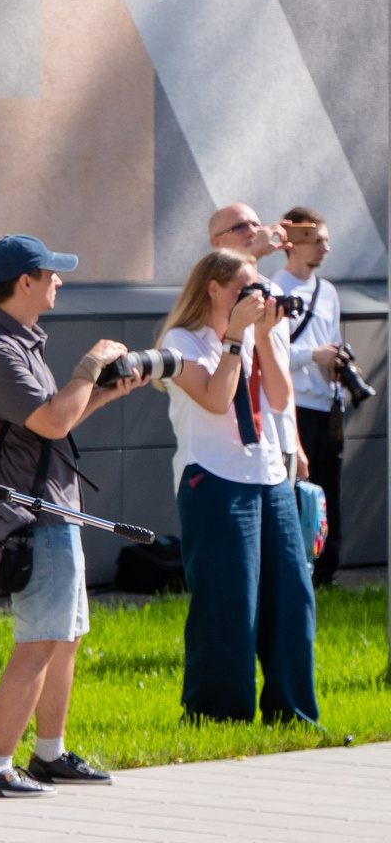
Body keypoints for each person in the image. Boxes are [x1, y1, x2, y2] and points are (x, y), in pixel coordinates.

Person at [0, 235, 135, 794]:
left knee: (65, 637)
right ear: (25, 282)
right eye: (50, 272)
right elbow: (53, 422)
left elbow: (53, 419)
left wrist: (105, 393)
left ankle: (49, 754)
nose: (59, 280)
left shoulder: (22, 344)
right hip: (32, 519)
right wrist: (88, 367)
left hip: (56, 510)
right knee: (39, 639)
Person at [157, 251, 319, 723]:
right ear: (213, 287)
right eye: (244, 291)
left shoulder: (258, 333)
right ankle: (216, 713)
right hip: (213, 476)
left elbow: (282, 399)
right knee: (228, 600)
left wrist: (263, 334)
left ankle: (292, 711)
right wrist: (234, 337)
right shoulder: (181, 340)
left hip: (269, 475)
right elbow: (215, 399)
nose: (255, 300)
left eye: (259, 290)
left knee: (292, 598)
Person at [270, 207, 350, 589]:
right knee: (295, 488)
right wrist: (311, 356)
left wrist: (336, 363)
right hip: (294, 406)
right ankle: (295, 565)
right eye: (318, 240)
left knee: (328, 489)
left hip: (327, 403)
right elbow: (268, 353)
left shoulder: (328, 291)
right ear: (294, 243)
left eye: (326, 240)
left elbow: (329, 342)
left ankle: (327, 569)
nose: (325, 248)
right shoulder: (275, 288)